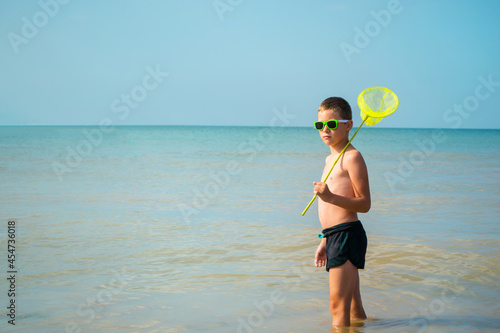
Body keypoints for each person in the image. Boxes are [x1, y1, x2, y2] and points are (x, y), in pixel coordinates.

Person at [312, 97, 371, 327]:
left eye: (332, 124)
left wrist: (330, 197)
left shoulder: (352, 157)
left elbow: (365, 204)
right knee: (354, 310)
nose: (325, 130)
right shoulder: (329, 158)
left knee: (337, 307)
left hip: (347, 234)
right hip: (335, 235)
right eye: (320, 125)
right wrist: (324, 239)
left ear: (348, 125)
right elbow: (329, 212)